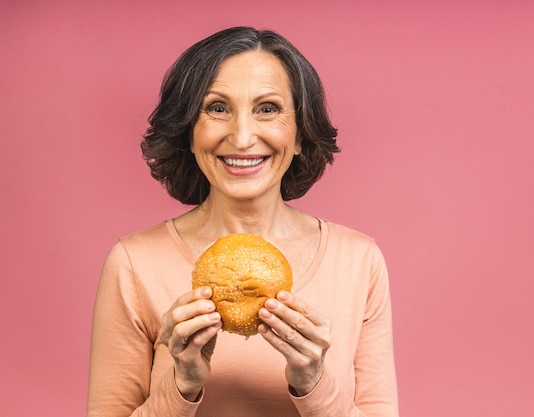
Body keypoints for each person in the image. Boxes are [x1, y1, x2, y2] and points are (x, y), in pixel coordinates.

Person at [87, 26, 398, 417]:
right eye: (217, 108)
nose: (243, 136)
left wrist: (314, 383)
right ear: (189, 131)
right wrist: (183, 384)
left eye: (267, 108)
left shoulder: (359, 261)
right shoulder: (134, 263)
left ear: (301, 133)